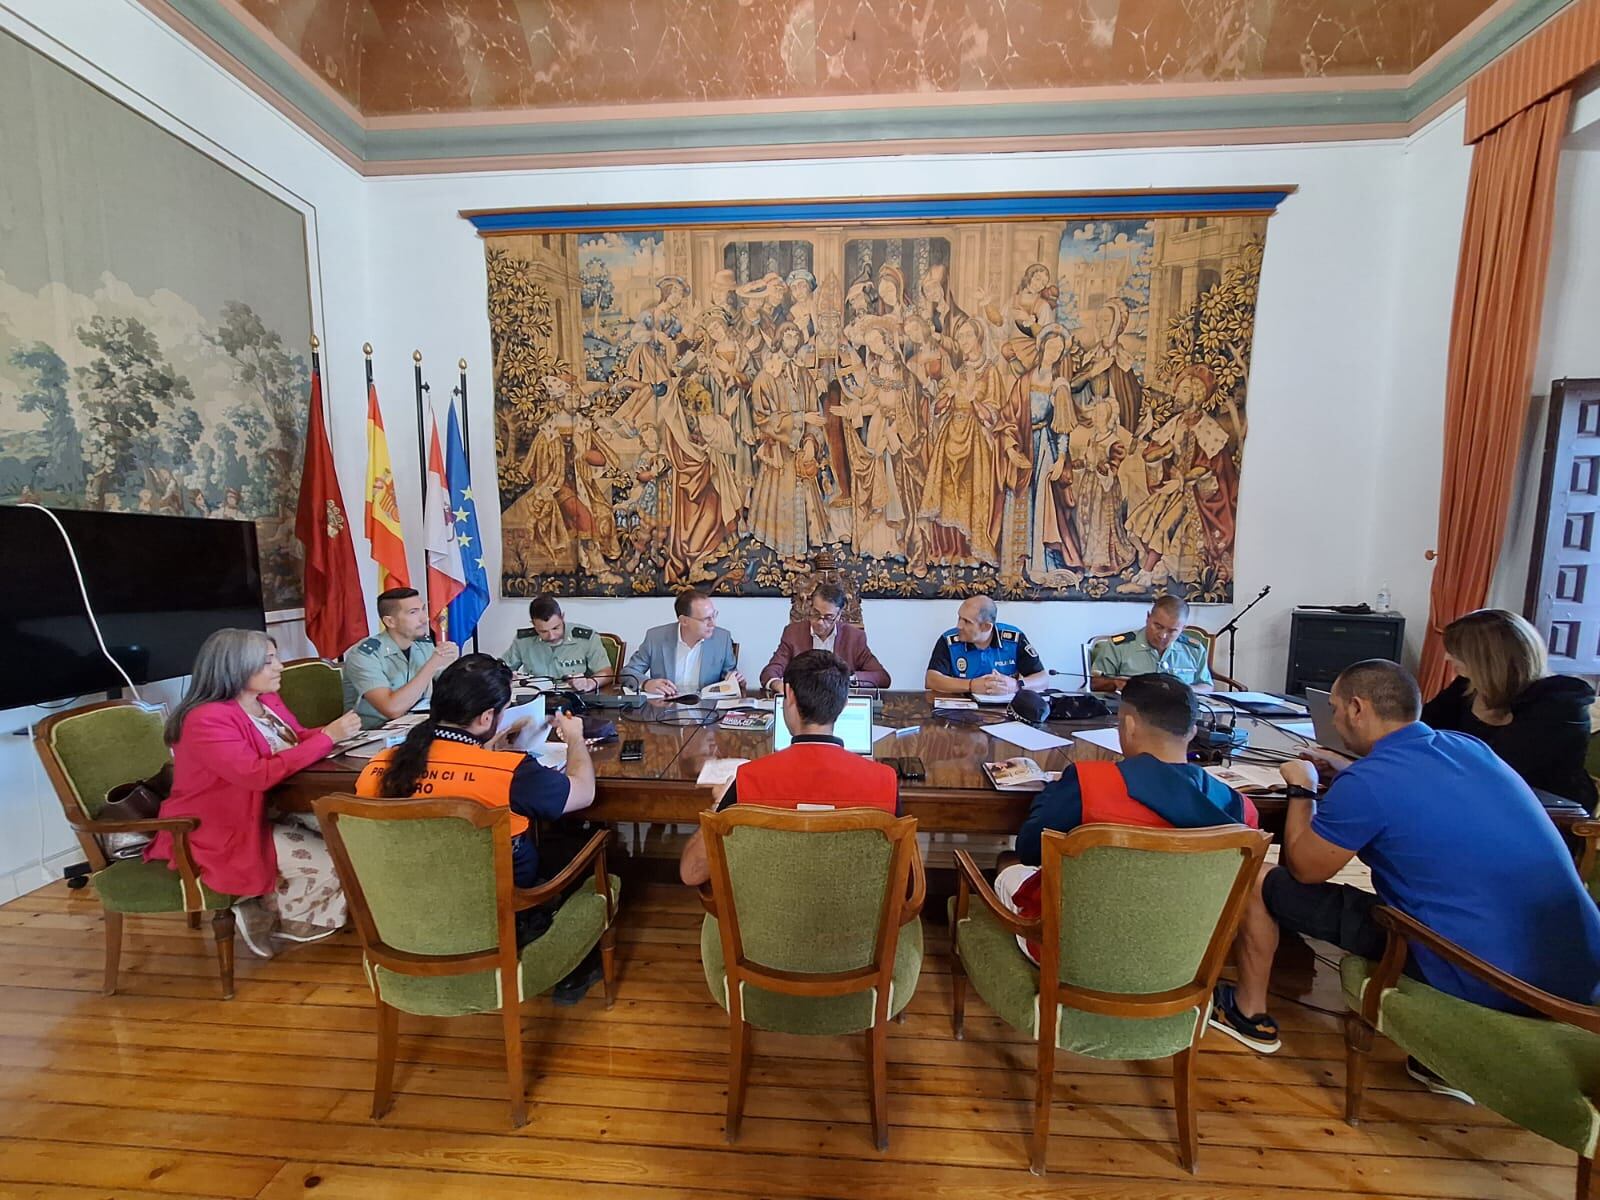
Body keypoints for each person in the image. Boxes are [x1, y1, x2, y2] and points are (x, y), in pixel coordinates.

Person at [1213, 660, 1600, 1098]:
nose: (1335, 720)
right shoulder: (1469, 748)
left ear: (1358, 709)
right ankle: (1443, 1063)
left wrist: (1303, 787)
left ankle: (1249, 1015)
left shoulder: (1371, 782)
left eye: (1336, 710)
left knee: (1259, 875)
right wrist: (1351, 768)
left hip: (1482, 975)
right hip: (1575, 972)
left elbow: (1305, 869)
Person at [996, 673, 1258, 962]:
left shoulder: (1089, 784)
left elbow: (1030, 848)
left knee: (1008, 868)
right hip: (1182, 962)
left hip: (1075, 954)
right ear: (1193, 732)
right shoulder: (1241, 810)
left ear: (1129, 725)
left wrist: (1051, 794)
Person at [146, 629, 362, 958]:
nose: (279, 667)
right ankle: (275, 913)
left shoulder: (266, 700)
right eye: (268, 661)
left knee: (355, 836)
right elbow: (256, 774)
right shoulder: (206, 719)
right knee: (334, 860)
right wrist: (327, 738)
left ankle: (274, 899)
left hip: (273, 807)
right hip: (221, 826)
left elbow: (296, 738)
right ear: (235, 667)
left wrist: (336, 734)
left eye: (276, 658)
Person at [679, 650, 899, 886]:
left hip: (763, 919)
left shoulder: (749, 779)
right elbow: (902, 883)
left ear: (789, 695)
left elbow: (691, 873)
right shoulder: (884, 780)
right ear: (845, 703)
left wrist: (716, 808)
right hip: (860, 921)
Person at [1422, 608, 1597, 809]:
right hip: (1473, 797)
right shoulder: (1467, 686)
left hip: (1543, 813)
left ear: (1487, 660)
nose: (1446, 658)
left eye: (1456, 652)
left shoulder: (1562, 704)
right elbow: (1424, 728)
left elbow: (1503, 768)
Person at [343, 587, 460, 729]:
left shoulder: (423, 644)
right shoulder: (364, 655)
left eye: (423, 609)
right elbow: (392, 709)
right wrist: (432, 664)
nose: (424, 618)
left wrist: (455, 665)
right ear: (390, 622)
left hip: (416, 728)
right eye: (413, 612)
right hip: (370, 735)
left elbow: (452, 691)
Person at [759, 581, 891, 691]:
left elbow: (882, 677)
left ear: (838, 616)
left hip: (838, 706)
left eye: (828, 617)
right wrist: (779, 686)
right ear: (810, 607)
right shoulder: (793, 633)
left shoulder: (854, 637)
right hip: (804, 704)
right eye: (816, 614)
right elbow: (769, 672)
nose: (820, 622)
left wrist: (849, 679)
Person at [619, 589, 743, 697]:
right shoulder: (656, 638)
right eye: (706, 619)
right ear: (684, 621)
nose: (713, 623)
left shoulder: (722, 638)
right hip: (665, 711)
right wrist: (647, 684)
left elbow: (729, 677)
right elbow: (628, 673)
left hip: (707, 713)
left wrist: (733, 679)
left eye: (714, 615)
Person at [925, 595, 1046, 697]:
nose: (959, 626)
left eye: (967, 622)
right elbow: (931, 680)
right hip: (960, 712)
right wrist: (971, 685)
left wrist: (1016, 685)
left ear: (986, 627)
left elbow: (1042, 679)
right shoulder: (949, 640)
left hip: (1005, 712)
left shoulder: (1014, 639)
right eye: (959, 618)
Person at [1089, 595, 1214, 693]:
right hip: (1132, 712)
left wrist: (1185, 690)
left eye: (1172, 631)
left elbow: (1207, 686)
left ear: (1183, 628)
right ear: (1148, 617)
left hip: (1179, 714)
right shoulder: (1119, 646)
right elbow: (1094, 683)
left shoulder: (1194, 650)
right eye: (1158, 626)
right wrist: (1115, 683)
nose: (1163, 635)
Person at [501, 593, 615, 692]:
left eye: (555, 628)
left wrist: (590, 683)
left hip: (575, 699)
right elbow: (500, 669)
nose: (551, 636)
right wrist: (508, 676)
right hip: (537, 698)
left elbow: (606, 673)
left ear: (562, 617)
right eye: (543, 631)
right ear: (533, 624)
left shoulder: (585, 638)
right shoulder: (523, 641)